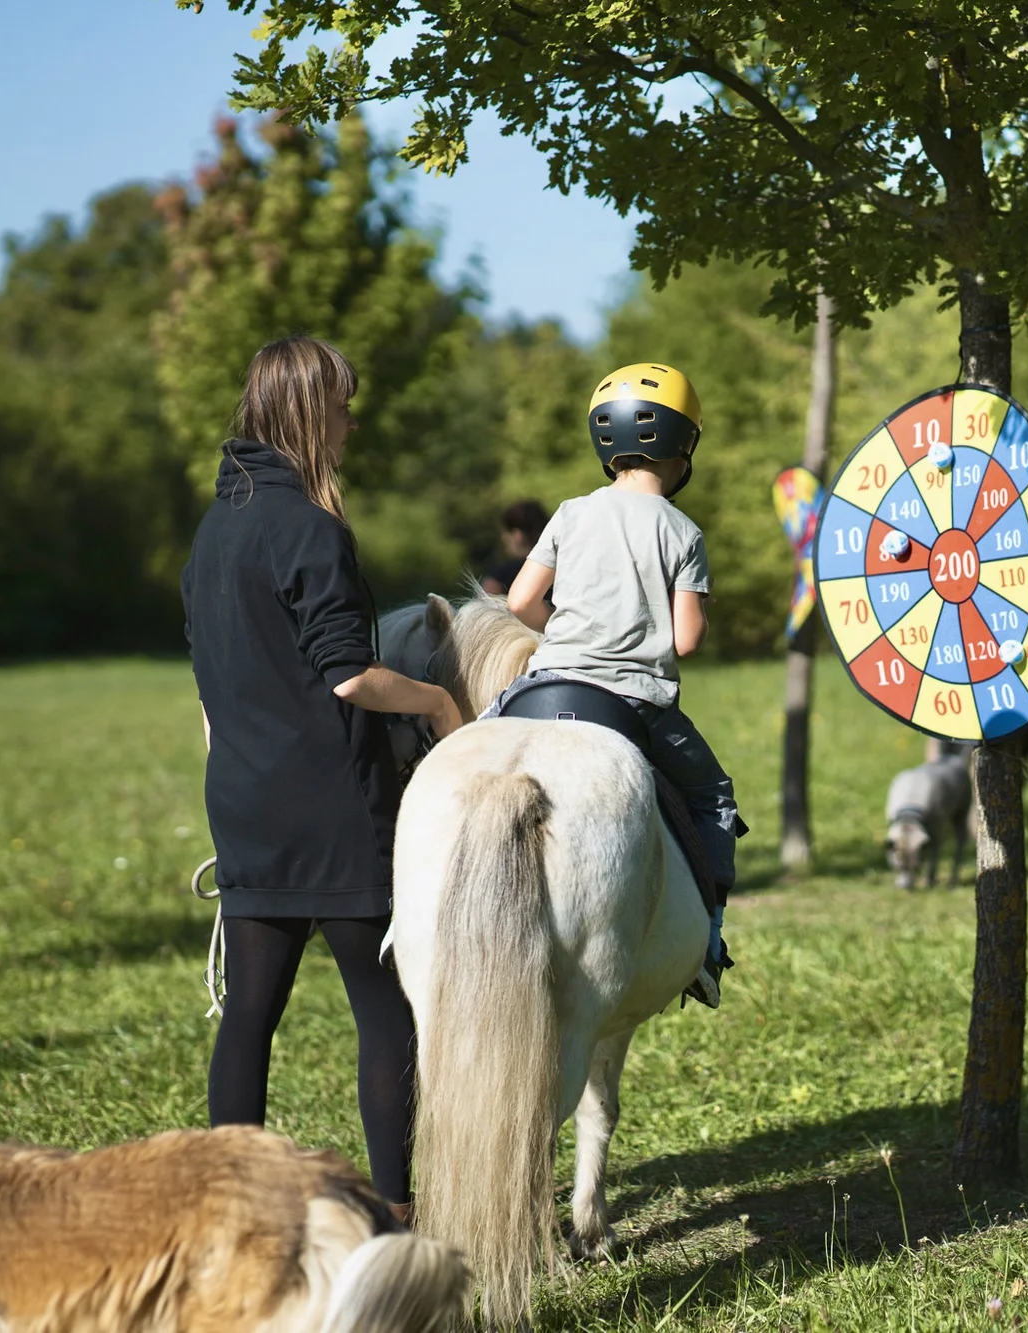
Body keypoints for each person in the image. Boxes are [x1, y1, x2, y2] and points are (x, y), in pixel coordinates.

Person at [181, 336, 465, 1218]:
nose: (351, 419)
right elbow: (351, 674)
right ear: (308, 411)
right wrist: (439, 704)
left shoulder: (215, 527)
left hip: (244, 800)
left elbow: (208, 688)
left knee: (251, 1014)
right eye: (341, 405)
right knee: (385, 1011)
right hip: (336, 809)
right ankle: (395, 1209)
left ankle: (235, 1208)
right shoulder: (308, 526)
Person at [494, 362, 741, 1008]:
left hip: (542, 684)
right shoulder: (684, 533)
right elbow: (685, 641)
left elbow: (521, 601)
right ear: (685, 446)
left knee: (461, 753)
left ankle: (401, 899)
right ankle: (709, 946)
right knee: (715, 795)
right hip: (633, 704)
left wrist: (567, 633)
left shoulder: (571, 513)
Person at [478, 499, 549, 595]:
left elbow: (485, 605)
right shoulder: (560, 569)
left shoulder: (500, 576)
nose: (504, 538)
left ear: (518, 535)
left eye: (507, 532)